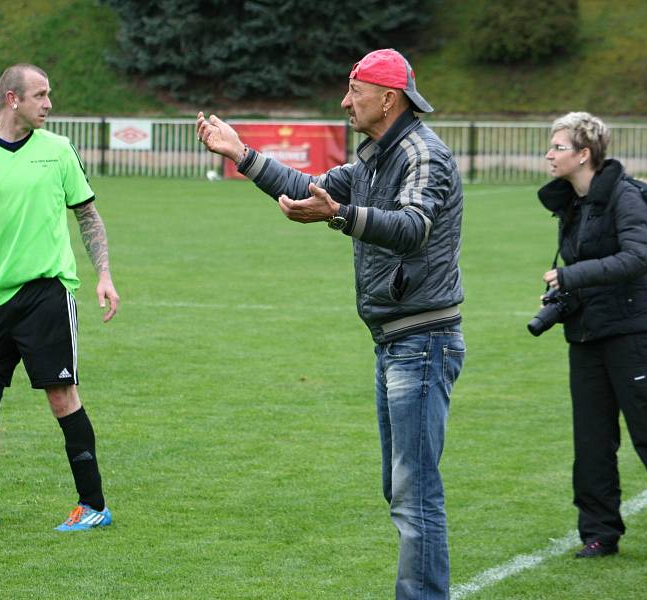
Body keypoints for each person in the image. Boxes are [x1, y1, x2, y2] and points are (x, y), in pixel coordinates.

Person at [197, 48, 465, 599]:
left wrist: (339, 216)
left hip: (423, 340)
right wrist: (241, 154)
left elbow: (412, 227)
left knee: (415, 495)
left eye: (354, 92)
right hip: (395, 341)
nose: (345, 102)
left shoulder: (423, 155)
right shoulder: (373, 156)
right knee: (402, 489)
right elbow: (308, 188)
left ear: (387, 98)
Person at [0, 63, 119, 531]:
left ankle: (93, 506)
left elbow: (88, 215)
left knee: (61, 395)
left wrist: (104, 274)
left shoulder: (58, 151)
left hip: (48, 293)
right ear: (12, 98)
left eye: (49, 94)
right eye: (41, 95)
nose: (49, 103)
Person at [537, 111, 647, 563]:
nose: (549, 155)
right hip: (587, 334)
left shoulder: (626, 197)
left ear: (584, 153)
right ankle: (599, 533)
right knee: (592, 439)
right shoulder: (573, 202)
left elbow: (637, 258)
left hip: (632, 333)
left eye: (558, 147)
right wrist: (562, 296)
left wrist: (571, 275)